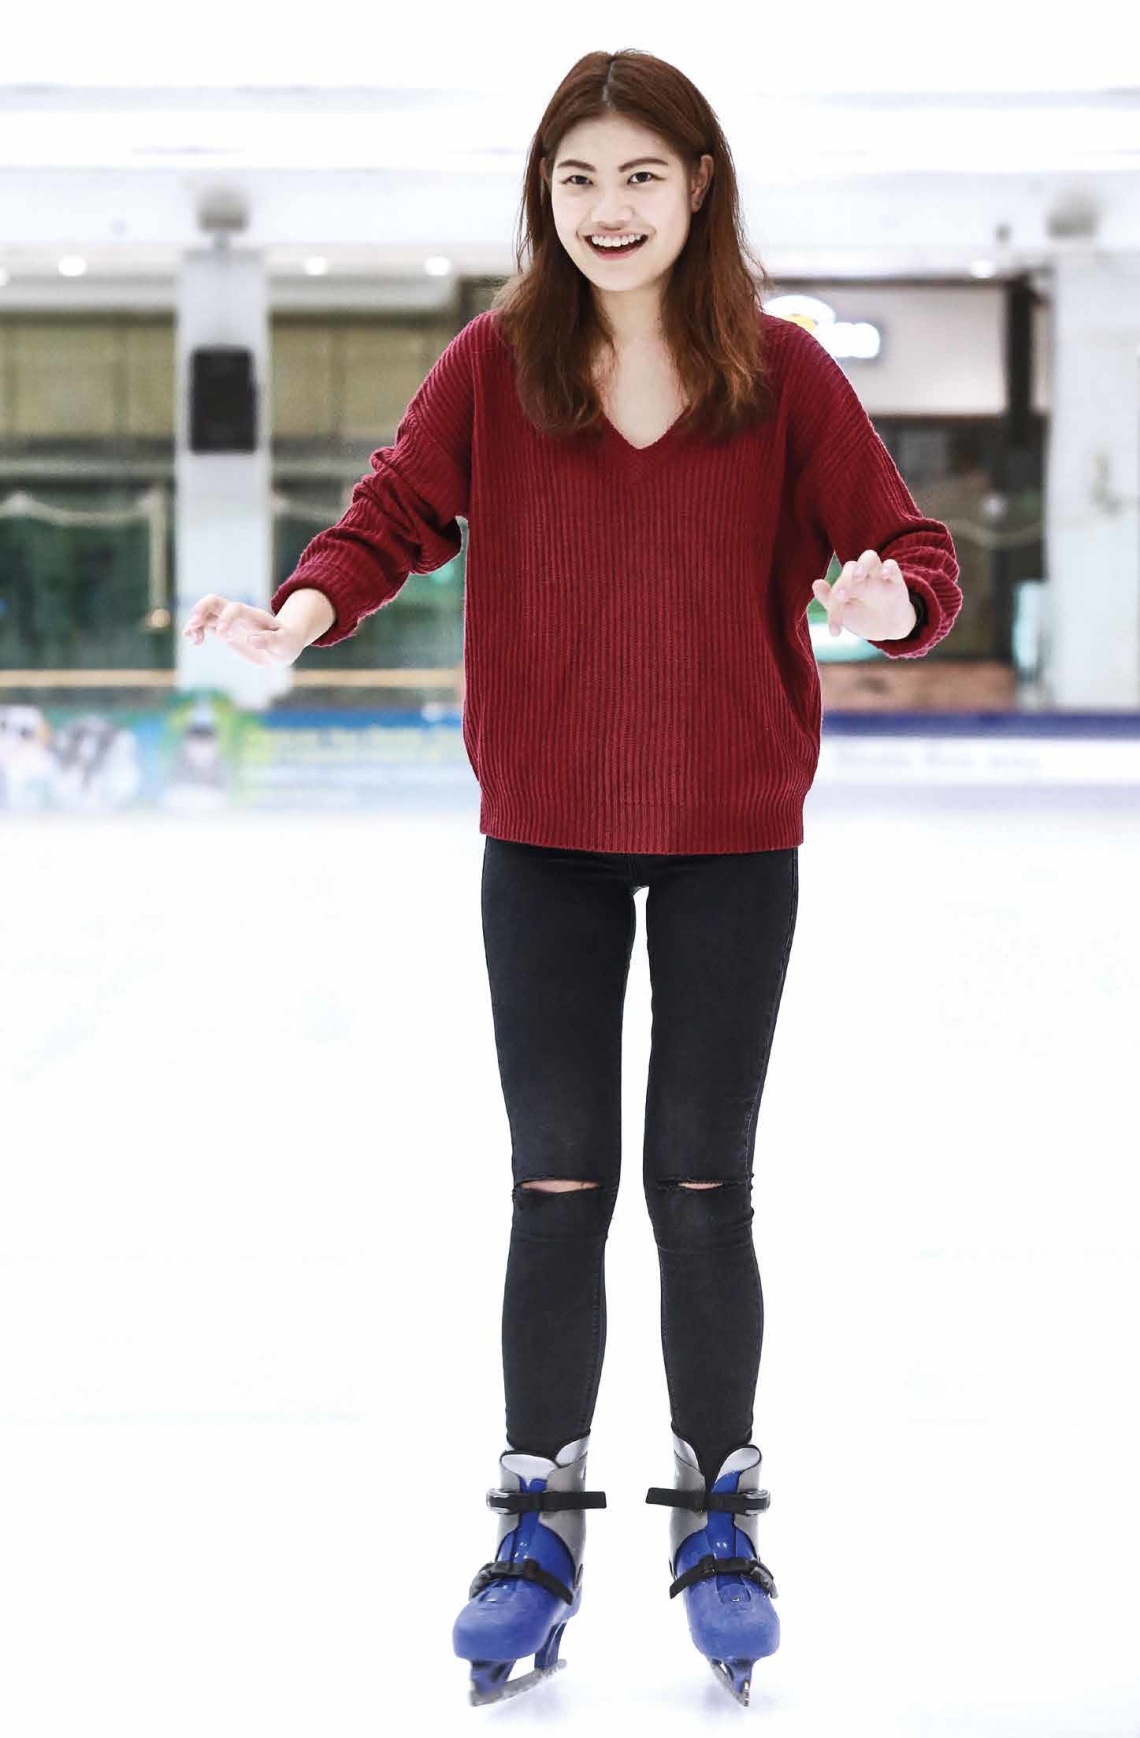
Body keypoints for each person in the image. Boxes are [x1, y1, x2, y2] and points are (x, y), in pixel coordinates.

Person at [184, 48, 961, 1709]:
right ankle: (535, 1521)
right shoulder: (497, 364)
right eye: (576, 182)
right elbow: (391, 515)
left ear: (698, 187)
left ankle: (718, 1516)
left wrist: (892, 600)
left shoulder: (783, 374)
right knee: (557, 1179)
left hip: (733, 831)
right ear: (547, 200)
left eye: (639, 179)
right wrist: (296, 616)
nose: (608, 212)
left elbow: (907, 550)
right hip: (542, 827)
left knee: (700, 1182)